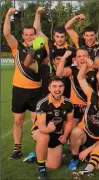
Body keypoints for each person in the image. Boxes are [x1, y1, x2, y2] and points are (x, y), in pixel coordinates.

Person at [4, 7, 42, 159]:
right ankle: (17, 148)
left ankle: (36, 150)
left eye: (31, 34)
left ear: (35, 35)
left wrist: (37, 14)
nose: (29, 37)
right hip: (19, 90)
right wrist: (7, 15)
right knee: (18, 120)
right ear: (22, 36)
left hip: (36, 90)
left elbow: (38, 28)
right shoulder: (16, 47)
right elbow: (7, 33)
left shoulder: (40, 47)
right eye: (26, 35)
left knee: (36, 122)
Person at [68, 62, 99, 171]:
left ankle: (85, 151)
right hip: (84, 132)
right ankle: (75, 157)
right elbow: (80, 78)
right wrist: (85, 64)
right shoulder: (92, 96)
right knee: (75, 132)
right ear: (98, 92)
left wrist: (88, 150)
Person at [31, 76, 74, 180]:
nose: (57, 89)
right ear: (49, 88)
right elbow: (41, 125)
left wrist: (65, 135)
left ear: (64, 88)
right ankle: (41, 168)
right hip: (40, 131)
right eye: (54, 86)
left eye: (60, 86)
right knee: (44, 137)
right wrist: (48, 129)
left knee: (54, 166)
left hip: (56, 134)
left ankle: (36, 156)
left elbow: (69, 121)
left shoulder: (68, 103)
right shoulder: (43, 103)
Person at [56, 48, 98, 122]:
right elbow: (59, 73)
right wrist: (64, 57)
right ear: (75, 59)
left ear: (88, 57)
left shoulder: (94, 69)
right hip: (76, 106)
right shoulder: (72, 70)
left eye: (84, 56)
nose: (82, 58)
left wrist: (94, 66)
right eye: (79, 56)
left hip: (91, 105)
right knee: (72, 131)